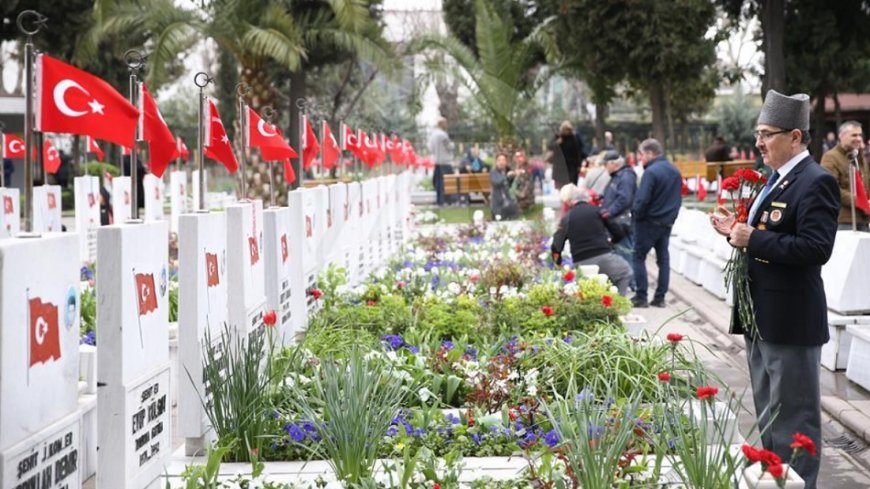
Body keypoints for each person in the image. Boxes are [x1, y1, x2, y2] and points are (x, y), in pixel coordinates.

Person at [709, 90, 839, 489]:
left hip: (790, 321)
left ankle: (800, 484)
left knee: (794, 421)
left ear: (796, 137)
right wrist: (735, 230)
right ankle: (776, 481)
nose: (759, 143)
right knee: (769, 415)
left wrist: (751, 239)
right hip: (761, 317)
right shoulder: (776, 180)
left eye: (767, 134)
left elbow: (816, 249)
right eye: (758, 133)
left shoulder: (815, 181)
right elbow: (765, 235)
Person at [551, 186, 633, 296]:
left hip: (580, 261)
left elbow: (556, 245)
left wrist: (558, 263)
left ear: (570, 202)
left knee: (583, 290)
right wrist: (612, 242)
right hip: (604, 257)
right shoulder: (598, 211)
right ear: (588, 199)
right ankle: (619, 303)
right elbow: (617, 231)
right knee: (625, 272)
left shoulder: (567, 218)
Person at [630, 138, 681, 308]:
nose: (640, 159)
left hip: (647, 222)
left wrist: (636, 215)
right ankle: (660, 298)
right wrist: (671, 218)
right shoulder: (674, 171)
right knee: (663, 260)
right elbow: (678, 199)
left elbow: (642, 199)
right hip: (666, 223)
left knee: (638, 256)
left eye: (641, 155)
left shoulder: (651, 172)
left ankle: (641, 296)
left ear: (650, 153)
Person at [820, 121, 869, 231]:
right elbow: (832, 189)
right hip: (844, 221)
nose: (859, 138)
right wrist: (861, 202)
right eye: (854, 135)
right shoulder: (830, 157)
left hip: (863, 220)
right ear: (841, 136)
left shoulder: (859, 157)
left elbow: (866, 184)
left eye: (860, 135)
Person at [600, 151, 637, 269]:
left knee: (625, 253)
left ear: (613, 164)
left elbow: (624, 199)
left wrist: (609, 212)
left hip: (622, 223)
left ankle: (631, 283)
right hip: (616, 222)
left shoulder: (625, 176)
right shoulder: (617, 176)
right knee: (620, 254)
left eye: (606, 164)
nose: (605, 168)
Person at [428, 117, 455, 206]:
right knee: (448, 182)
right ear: (442, 124)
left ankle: (440, 200)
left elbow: (431, 148)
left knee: (438, 182)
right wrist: (453, 145)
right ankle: (448, 200)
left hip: (437, 161)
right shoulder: (443, 135)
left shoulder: (433, 135)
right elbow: (449, 146)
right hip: (445, 162)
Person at [548, 121, 583, 189]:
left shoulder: (573, 138)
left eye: (568, 130)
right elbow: (550, 147)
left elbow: (578, 152)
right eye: (565, 129)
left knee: (571, 186)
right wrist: (557, 143)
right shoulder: (557, 137)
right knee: (561, 186)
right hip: (559, 166)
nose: (567, 131)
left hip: (571, 166)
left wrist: (579, 165)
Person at [490, 153, 519, 220]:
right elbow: (496, 183)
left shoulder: (507, 170)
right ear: (496, 162)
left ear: (506, 162)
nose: (501, 162)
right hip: (498, 205)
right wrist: (506, 176)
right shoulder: (493, 172)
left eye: (503, 160)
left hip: (509, 203)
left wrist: (516, 176)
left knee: (514, 217)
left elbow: (511, 185)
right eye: (499, 160)